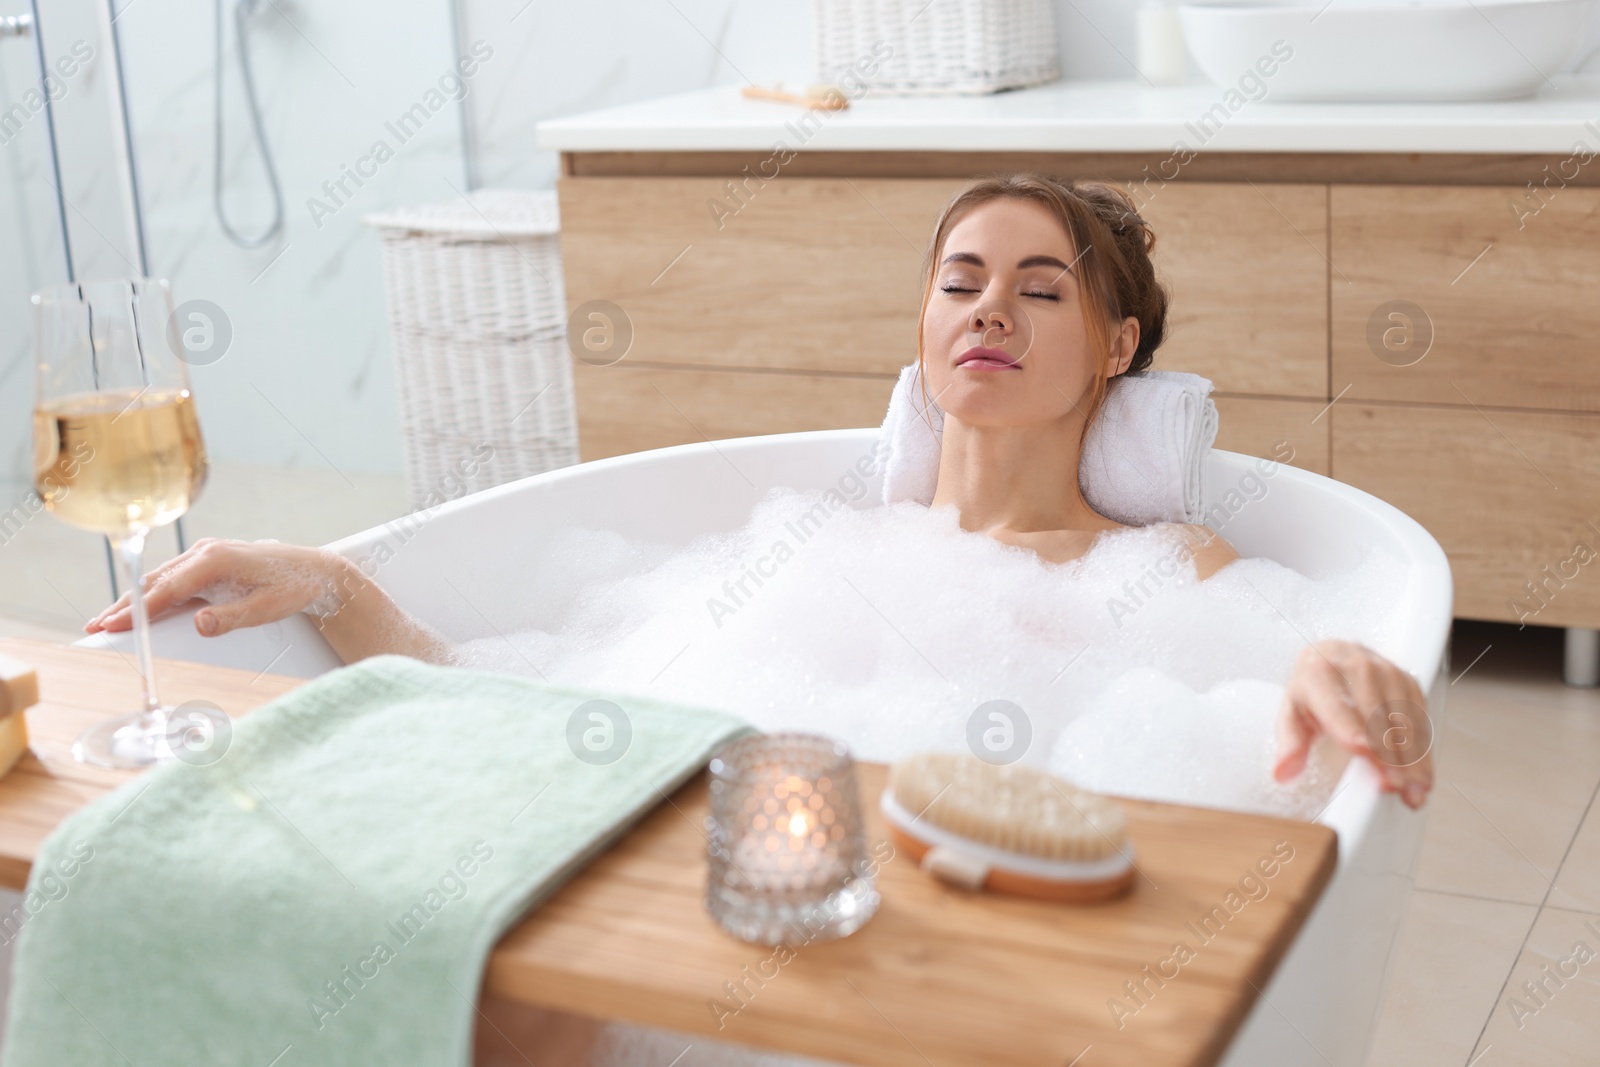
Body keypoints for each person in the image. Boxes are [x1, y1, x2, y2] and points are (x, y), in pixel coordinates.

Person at [84, 173, 1434, 810]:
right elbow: (525, 690)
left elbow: (1279, 663)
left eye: (1042, 289)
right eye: (960, 282)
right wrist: (331, 582)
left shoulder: (1153, 565)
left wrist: (1333, 667)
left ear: (1117, 348)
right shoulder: (816, 544)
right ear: (921, 325)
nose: (989, 312)